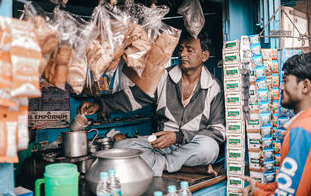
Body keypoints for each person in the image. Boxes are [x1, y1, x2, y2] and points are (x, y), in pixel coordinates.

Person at [77, 31, 225, 176]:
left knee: (209, 148)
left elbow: (218, 131)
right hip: (161, 146)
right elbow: (134, 97)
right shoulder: (163, 76)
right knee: (121, 146)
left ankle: (163, 165)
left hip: (191, 148)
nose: (182, 54)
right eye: (181, 49)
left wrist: (179, 136)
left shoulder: (213, 86)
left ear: (204, 56)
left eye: (189, 50)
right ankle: (183, 168)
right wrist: (99, 105)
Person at [242, 51, 311, 196]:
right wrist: (260, 188)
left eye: (285, 81)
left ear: (305, 86)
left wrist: (256, 194)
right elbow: (294, 183)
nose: (281, 87)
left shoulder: (303, 131)